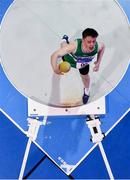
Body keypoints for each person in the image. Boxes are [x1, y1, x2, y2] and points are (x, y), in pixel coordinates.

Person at [51, 28, 105, 104]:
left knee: (85, 77)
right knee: (64, 47)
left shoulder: (97, 46)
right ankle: (64, 40)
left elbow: (103, 47)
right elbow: (54, 55)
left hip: (83, 64)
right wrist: (55, 68)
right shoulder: (73, 47)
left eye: (93, 41)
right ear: (83, 40)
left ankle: (86, 91)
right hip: (69, 60)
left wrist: (98, 62)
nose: (92, 44)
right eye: (89, 42)